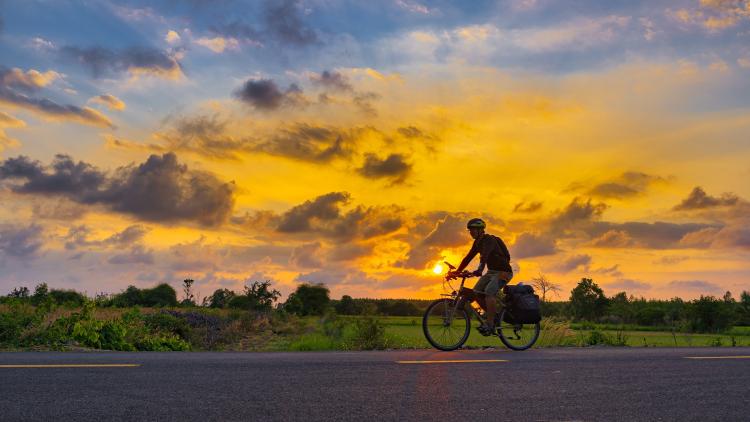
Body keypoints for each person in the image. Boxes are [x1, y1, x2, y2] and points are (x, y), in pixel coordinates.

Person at [447, 218, 513, 335]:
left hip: (504, 272)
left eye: (473, 230)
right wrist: (457, 272)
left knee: (488, 292)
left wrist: (479, 269)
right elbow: (467, 258)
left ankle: (490, 323)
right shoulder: (477, 243)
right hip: (492, 272)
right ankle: (493, 316)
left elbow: (485, 256)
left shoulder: (489, 240)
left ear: (481, 230)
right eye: (470, 230)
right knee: (476, 292)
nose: (471, 232)